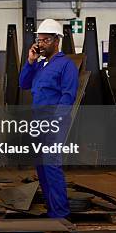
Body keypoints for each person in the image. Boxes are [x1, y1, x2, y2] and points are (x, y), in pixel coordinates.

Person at [18, 18, 78, 218]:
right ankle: (52, 209)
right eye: (39, 40)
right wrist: (30, 61)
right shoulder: (40, 65)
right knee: (41, 167)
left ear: (56, 40)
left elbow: (68, 96)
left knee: (51, 165)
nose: (40, 44)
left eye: (44, 40)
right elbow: (23, 84)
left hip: (54, 122)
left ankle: (60, 214)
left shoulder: (65, 65)